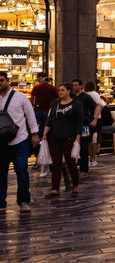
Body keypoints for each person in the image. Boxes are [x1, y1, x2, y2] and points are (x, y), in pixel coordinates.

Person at [0, 71, 39, 212]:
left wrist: (34, 133)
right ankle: (1, 202)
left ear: (8, 81)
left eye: (2, 80)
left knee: (22, 169)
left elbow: (30, 115)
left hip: (20, 139)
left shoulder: (20, 97)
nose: (0, 83)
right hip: (1, 142)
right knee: (1, 172)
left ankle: (23, 201)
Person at [42, 83, 83, 198]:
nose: (60, 92)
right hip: (54, 136)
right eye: (59, 90)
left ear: (69, 91)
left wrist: (78, 137)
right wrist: (45, 133)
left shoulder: (76, 104)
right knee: (56, 163)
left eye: (62, 90)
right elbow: (49, 120)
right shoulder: (55, 103)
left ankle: (75, 185)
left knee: (70, 162)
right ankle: (55, 188)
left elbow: (79, 121)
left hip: (69, 136)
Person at [71, 79, 99, 178]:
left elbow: (97, 107)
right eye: (73, 85)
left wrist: (94, 119)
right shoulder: (71, 97)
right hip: (73, 125)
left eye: (76, 85)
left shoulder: (86, 97)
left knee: (83, 147)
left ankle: (84, 169)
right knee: (74, 146)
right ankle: (76, 167)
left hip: (84, 125)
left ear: (81, 86)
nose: (74, 87)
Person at [29, 73, 58, 147]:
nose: (38, 79)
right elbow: (57, 99)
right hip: (48, 110)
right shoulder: (52, 87)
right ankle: (47, 141)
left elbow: (32, 99)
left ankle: (39, 144)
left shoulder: (36, 87)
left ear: (41, 77)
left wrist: (31, 107)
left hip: (38, 111)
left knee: (38, 128)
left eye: (38, 78)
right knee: (48, 127)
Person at [84, 81, 104, 167]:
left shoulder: (84, 95)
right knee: (94, 139)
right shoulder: (95, 94)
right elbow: (100, 105)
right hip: (96, 118)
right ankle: (93, 158)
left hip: (87, 119)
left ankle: (88, 158)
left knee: (88, 139)